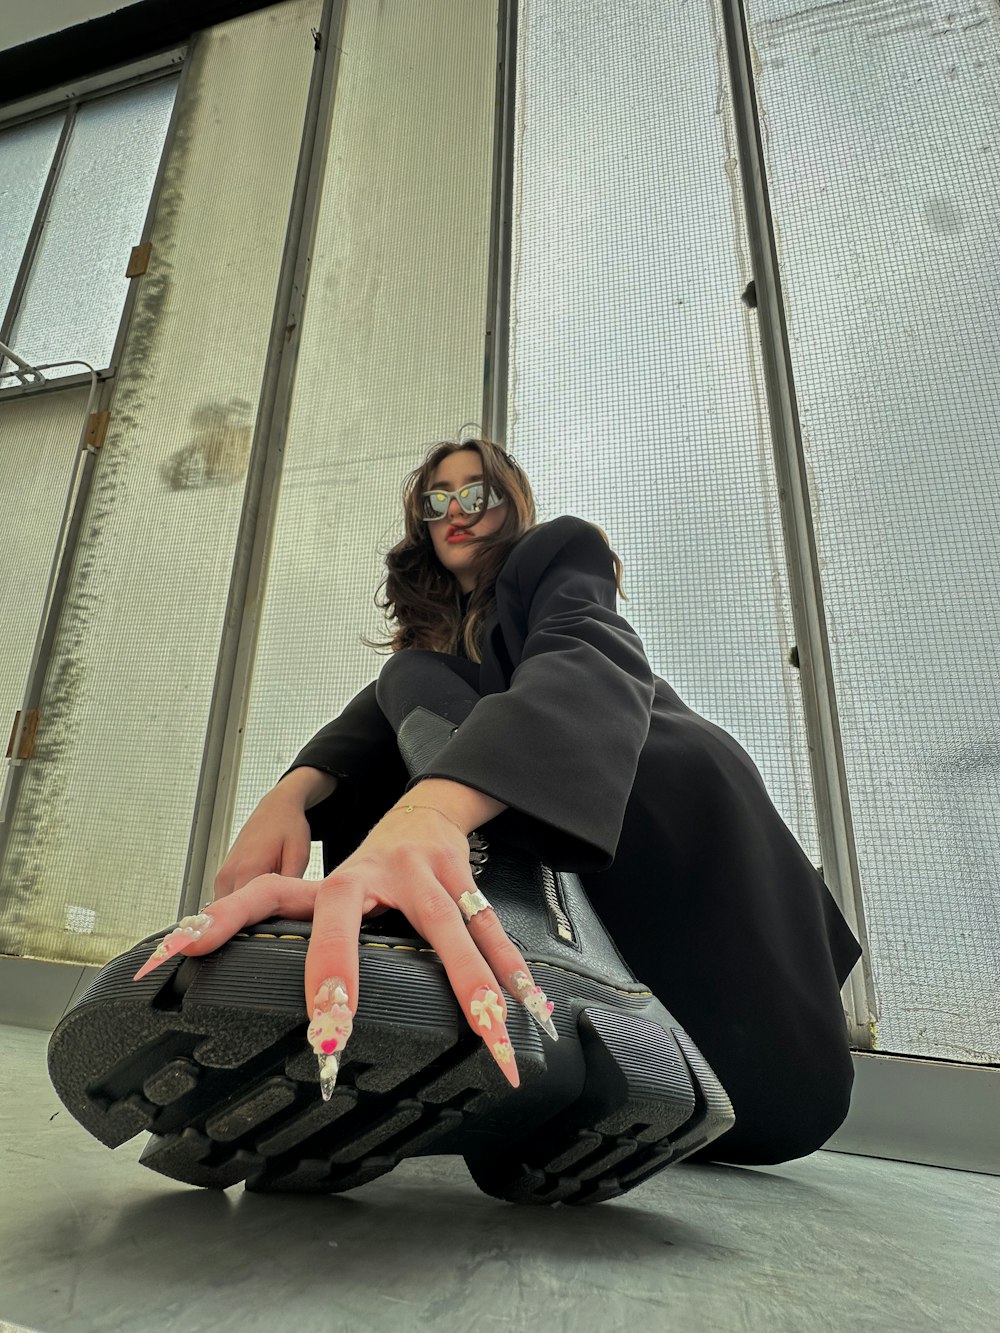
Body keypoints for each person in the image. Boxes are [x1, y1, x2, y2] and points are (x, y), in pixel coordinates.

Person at [133, 433, 862, 1167]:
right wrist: (290, 795)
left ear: (509, 500)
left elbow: (588, 656)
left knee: (412, 688)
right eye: (434, 500)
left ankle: (499, 959)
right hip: (713, 1065)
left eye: (472, 492)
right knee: (404, 688)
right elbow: (387, 706)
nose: (454, 510)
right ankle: (457, 994)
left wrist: (432, 816)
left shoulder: (557, 554)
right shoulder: (432, 669)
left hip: (692, 882)